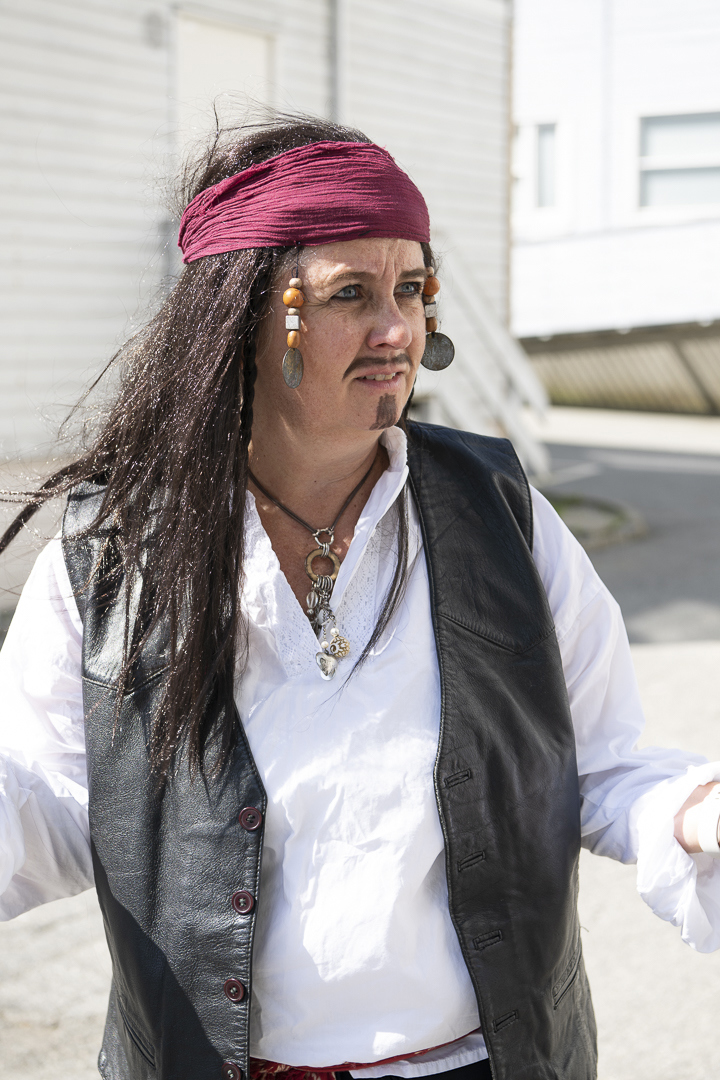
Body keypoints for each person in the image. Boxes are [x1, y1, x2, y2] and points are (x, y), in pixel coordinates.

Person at [1, 116, 720, 1080]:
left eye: (411, 290)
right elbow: (48, 796)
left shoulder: (500, 517)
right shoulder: (116, 552)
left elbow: (602, 762)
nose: (397, 331)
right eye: (351, 294)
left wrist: (696, 810)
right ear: (241, 319)